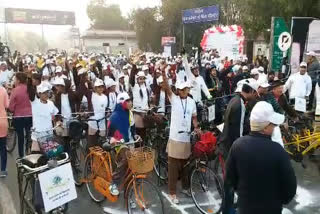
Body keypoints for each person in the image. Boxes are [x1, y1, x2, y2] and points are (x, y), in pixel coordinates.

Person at [224, 101, 297, 214]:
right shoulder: (277, 151)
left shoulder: (237, 145)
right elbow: (290, 188)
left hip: (245, 208)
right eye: (272, 124)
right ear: (264, 128)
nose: (274, 127)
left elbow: (229, 180)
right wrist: (278, 201)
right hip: (271, 208)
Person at [161, 68, 200, 204]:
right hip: (175, 138)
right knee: (173, 167)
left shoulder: (191, 102)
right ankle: (172, 192)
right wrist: (163, 73)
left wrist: (196, 127)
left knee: (186, 166)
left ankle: (185, 187)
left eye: (187, 89)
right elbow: (166, 87)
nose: (185, 91)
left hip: (186, 138)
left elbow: (194, 117)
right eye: (182, 89)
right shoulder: (174, 99)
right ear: (177, 90)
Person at [107, 92, 136, 196]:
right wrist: (114, 140)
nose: (130, 103)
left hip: (128, 141)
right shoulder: (114, 116)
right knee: (125, 158)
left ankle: (128, 195)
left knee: (131, 168)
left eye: (130, 100)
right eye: (127, 101)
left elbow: (132, 128)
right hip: (118, 143)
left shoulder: (130, 113)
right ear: (121, 103)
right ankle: (114, 183)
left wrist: (135, 135)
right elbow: (110, 135)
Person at [219, 82, 257, 155]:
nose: (255, 96)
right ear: (251, 91)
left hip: (227, 137)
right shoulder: (240, 104)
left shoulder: (235, 99)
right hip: (232, 141)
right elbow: (239, 128)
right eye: (254, 93)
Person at [9, 72, 33, 158]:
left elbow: (11, 106)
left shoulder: (15, 90)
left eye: (15, 79)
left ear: (18, 80)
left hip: (18, 116)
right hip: (30, 115)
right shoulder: (29, 89)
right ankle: (29, 151)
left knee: (20, 137)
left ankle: (21, 155)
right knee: (29, 134)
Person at [30, 83, 59, 152]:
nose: (46, 94)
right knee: (36, 155)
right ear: (39, 94)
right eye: (43, 93)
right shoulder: (34, 103)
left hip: (48, 134)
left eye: (47, 92)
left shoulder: (51, 103)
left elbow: (55, 114)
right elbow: (30, 92)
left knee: (50, 156)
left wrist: (57, 122)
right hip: (37, 135)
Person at [87, 79, 109, 147]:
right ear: (95, 88)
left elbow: (105, 109)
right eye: (98, 87)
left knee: (102, 143)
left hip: (102, 122)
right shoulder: (91, 95)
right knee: (92, 143)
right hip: (92, 122)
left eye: (102, 86)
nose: (100, 88)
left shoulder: (105, 97)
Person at [0, 85, 9, 177]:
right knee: (2, 148)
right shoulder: (3, 90)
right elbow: (7, 105)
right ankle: (3, 170)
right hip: (2, 120)